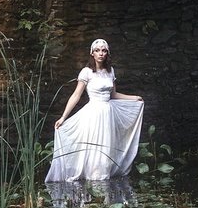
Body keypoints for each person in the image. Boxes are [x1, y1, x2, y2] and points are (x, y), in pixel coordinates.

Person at [45, 39, 144, 185]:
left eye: (104, 50)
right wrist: (63, 117)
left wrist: (134, 98)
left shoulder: (110, 71)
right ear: (92, 53)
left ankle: (103, 182)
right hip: (93, 114)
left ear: (107, 53)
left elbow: (114, 95)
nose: (101, 53)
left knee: (107, 148)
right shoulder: (87, 72)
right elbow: (76, 95)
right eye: (97, 50)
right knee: (94, 148)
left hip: (108, 114)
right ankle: (94, 181)